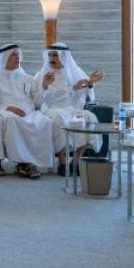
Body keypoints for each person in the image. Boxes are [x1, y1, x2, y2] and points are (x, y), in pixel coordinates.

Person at [0, 43, 54, 179]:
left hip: (28, 111)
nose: (17, 58)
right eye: (14, 55)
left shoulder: (27, 78)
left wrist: (45, 86)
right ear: (5, 57)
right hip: (5, 110)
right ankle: (21, 163)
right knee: (12, 120)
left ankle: (29, 162)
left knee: (45, 122)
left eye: (18, 55)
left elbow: (37, 102)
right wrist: (10, 108)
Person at [34, 43, 102, 175]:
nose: (52, 58)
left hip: (72, 110)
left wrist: (90, 84)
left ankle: (76, 159)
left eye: (55, 55)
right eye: (50, 55)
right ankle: (62, 161)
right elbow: (40, 99)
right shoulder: (41, 74)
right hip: (51, 109)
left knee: (89, 117)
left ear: (63, 57)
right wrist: (46, 86)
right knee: (60, 119)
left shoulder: (75, 72)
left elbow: (88, 97)